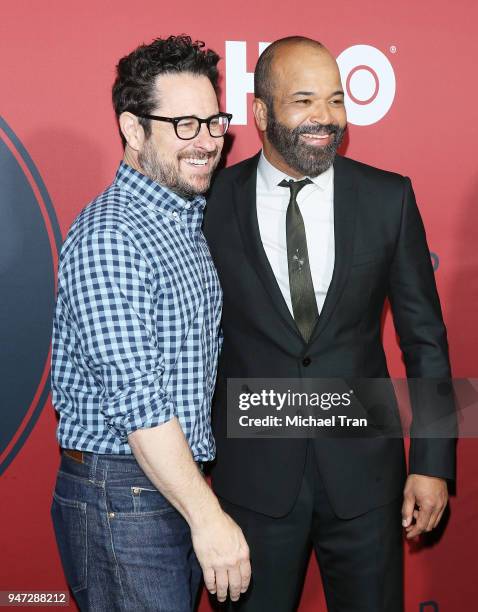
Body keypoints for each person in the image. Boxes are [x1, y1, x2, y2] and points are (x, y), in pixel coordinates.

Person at [203, 36, 455, 611]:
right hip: (251, 484)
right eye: (305, 100)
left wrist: (434, 464)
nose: (326, 118)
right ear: (261, 112)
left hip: (367, 481)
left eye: (337, 100)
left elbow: (425, 341)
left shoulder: (387, 198)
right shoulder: (213, 202)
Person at [50, 35, 250, 612]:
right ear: (133, 131)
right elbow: (140, 404)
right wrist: (207, 517)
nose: (208, 142)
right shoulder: (114, 234)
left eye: (214, 122)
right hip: (123, 494)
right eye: (184, 125)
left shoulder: (182, 216)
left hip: (162, 486)